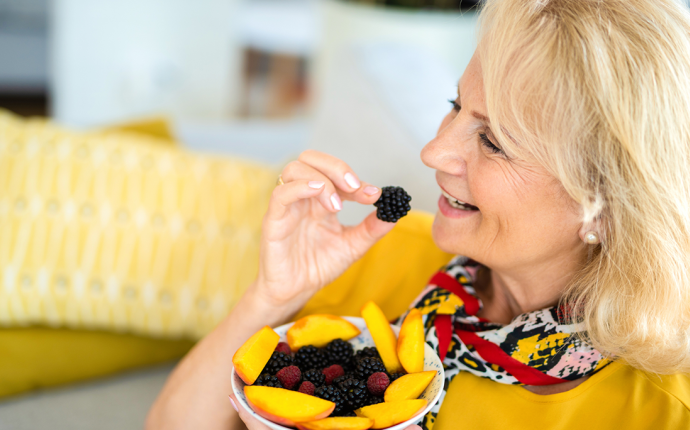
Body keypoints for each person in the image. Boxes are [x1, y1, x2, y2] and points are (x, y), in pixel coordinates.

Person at [146, 0, 690, 428]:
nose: (434, 152)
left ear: (607, 207)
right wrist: (274, 295)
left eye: (494, 142)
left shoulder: (662, 408)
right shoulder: (385, 254)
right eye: (456, 107)